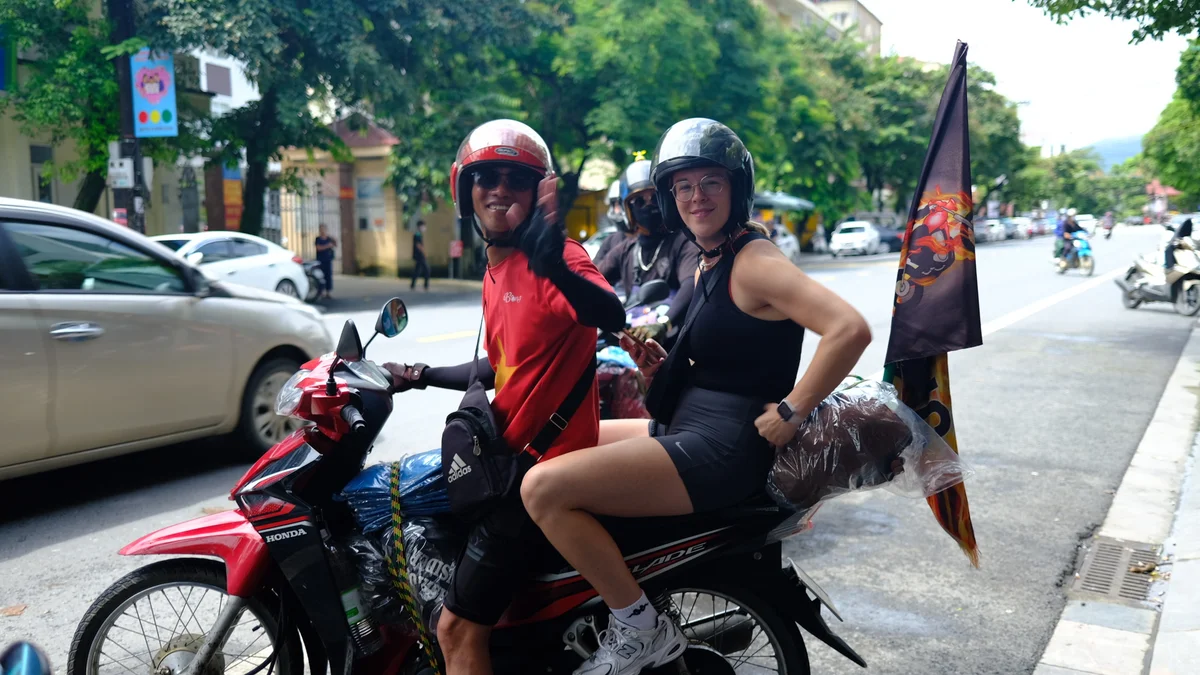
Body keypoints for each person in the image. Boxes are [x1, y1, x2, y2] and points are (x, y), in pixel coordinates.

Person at [520, 118, 872, 675]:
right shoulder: (713, 259)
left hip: (722, 447)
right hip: (688, 428)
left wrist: (791, 410)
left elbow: (849, 328)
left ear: (736, 188)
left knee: (542, 488)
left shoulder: (755, 261)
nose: (695, 196)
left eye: (709, 182)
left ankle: (636, 626)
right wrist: (661, 368)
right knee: (553, 448)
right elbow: (731, 353)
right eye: (682, 186)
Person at [382, 119, 624, 675]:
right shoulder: (496, 268)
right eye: (485, 177)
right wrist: (417, 373)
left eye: (514, 179)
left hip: (539, 475)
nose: (498, 189)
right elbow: (503, 363)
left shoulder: (556, 257)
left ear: (536, 191)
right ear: (462, 188)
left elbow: (608, 314)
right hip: (507, 461)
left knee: (457, 628)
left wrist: (548, 261)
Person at [598, 159, 700, 345]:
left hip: (674, 346)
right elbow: (593, 280)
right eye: (638, 201)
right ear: (629, 210)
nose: (648, 206)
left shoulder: (684, 241)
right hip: (633, 346)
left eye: (655, 198)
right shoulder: (625, 249)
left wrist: (664, 323)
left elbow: (690, 284)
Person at [593, 179, 633, 270]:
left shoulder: (650, 241)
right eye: (619, 204)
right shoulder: (610, 241)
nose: (623, 209)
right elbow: (594, 273)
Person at [314, 224, 337, 300]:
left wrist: (334, 240)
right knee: (320, 276)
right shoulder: (318, 239)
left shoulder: (329, 238)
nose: (323, 231)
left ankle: (328, 292)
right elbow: (318, 248)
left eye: (324, 229)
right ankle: (321, 292)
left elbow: (335, 245)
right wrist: (327, 246)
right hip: (320, 260)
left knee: (328, 276)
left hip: (328, 260)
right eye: (321, 229)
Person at [411, 219, 431, 291]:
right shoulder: (417, 234)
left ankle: (412, 285)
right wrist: (424, 252)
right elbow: (418, 245)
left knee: (417, 270)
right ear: (420, 226)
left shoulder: (418, 234)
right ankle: (426, 285)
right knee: (427, 270)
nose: (424, 228)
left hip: (418, 255)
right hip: (420, 256)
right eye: (423, 226)